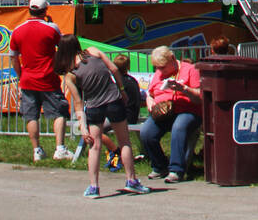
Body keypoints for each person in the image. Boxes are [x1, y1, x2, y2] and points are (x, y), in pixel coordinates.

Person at [55, 37, 149, 197]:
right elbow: (113, 69)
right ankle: (131, 180)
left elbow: (78, 102)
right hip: (113, 100)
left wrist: (83, 127)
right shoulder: (93, 51)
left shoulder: (70, 73)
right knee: (124, 141)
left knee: (94, 146)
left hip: (93, 106)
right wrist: (122, 90)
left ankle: (93, 186)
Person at [9, 0, 71, 162]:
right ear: (45, 10)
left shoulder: (17, 31)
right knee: (59, 112)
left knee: (31, 115)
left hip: (28, 79)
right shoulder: (52, 29)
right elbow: (63, 47)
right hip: (48, 78)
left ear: (29, 10)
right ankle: (60, 148)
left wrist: (20, 74)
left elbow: (13, 57)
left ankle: (37, 150)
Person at [139, 46, 201, 182]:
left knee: (179, 127)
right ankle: (160, 166)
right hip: (164, 111)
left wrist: (184, 89)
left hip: (187, 110)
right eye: (157, 68)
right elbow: (150, 93)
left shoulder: (191, 69)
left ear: (172, 59)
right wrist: (150, 102)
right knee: (146, 132)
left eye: (162, 67)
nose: (159, 71)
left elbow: (199, 97)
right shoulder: (158, 74)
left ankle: (176, 169)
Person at [103, 53, 142, 170]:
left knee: (96, 129)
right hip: (133, 115)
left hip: (123, 116)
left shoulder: (118, 84)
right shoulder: (133, 81)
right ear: (128, 66)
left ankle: (115, 151)